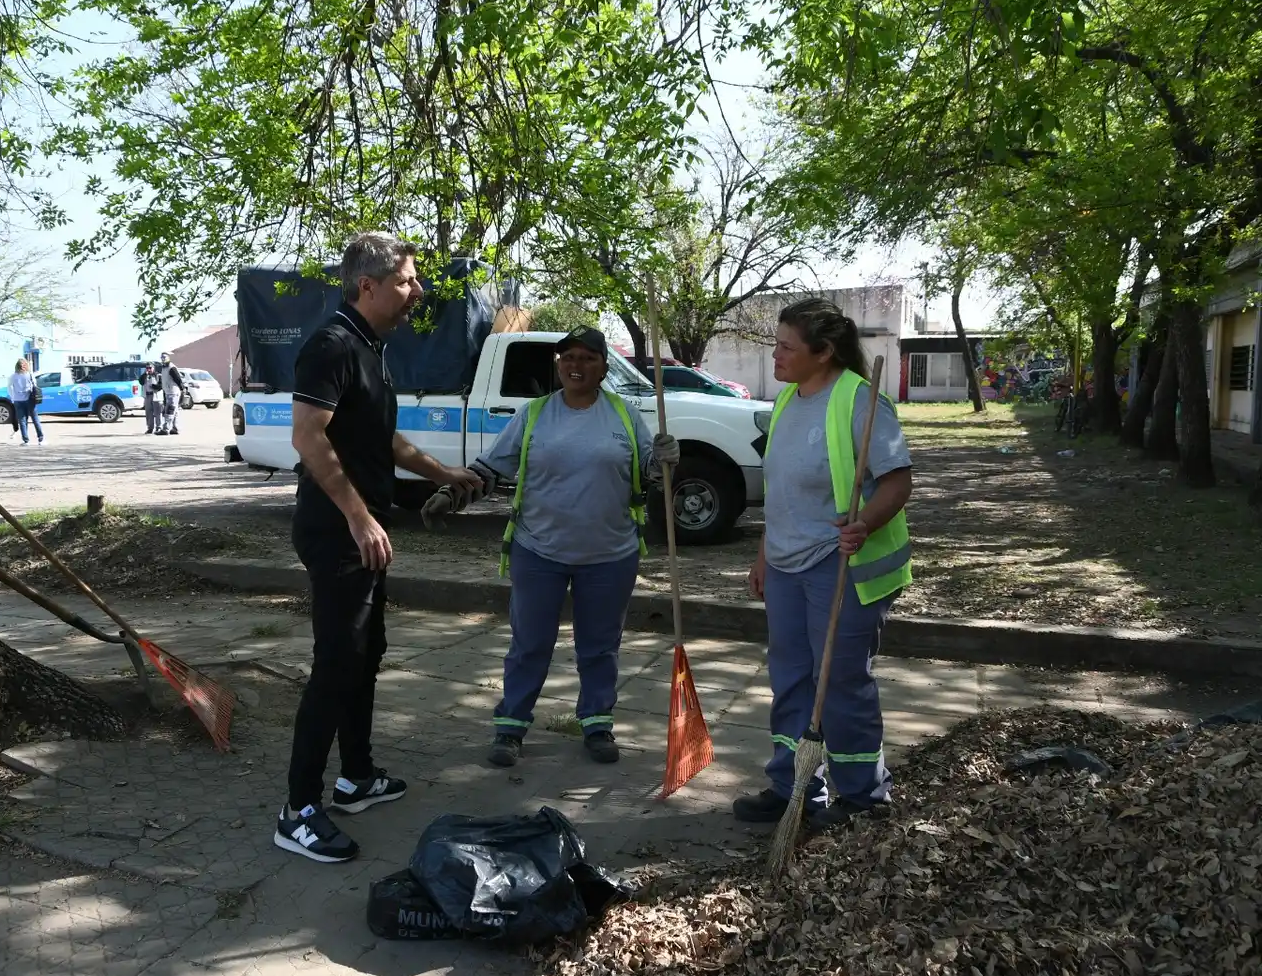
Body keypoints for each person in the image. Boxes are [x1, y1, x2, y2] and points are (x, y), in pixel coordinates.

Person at [276, 231, 482, 865]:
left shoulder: (372, 348)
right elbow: (308, 438)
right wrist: (361, 517)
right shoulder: (331, 344)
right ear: (368, 285)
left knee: (367, 653)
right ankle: (298, 810)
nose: (416, 291)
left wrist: (445, 475)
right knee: (337, 662)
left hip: (364, 531)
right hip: (337, 530)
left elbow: (383, 439)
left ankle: (357, 776)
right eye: (406, 281)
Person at [422, 326, 679, 767]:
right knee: (529, 643)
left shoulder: (624, 415)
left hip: (610, 554)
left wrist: (666, 460)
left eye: (587, 358)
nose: (576, 366)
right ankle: (511, 727)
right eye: (568, 358)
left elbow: (655, 475)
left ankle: (597, 723)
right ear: (558, 365)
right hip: (538, 550)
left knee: (599, 647)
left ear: (603, 367)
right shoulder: (534, 414)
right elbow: (491, 467)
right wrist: (451, 493)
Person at [732, 298, 913, 832]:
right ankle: (794, 789)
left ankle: (862, 795)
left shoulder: (861, 401)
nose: (775, 356)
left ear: (824, 352)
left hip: (842, 567)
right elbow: (783, 490)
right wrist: (764, 555)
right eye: (776, 345)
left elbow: (898, 482)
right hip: (787, 567)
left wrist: (865, 523)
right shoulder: (788, 400)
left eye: (787, 346)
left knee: (838, 683)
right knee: (790, 680)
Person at [8, 359, 44, 445]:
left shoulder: (13, 376)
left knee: (22, 421)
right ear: (26, 366)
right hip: (29, 399)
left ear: (16, 366)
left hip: (17, 400)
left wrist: (13, 398)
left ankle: (26, 440)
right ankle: (40, 438)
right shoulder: (29, 375)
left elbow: (9, 387)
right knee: (35, 419)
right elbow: (35, 386)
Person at [156, 353, 185, 435]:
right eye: (161, 357)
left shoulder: (171, 368)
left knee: (170, 410)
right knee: (174, 411)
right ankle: (175, 428)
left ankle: (166, 429)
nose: (163, 359)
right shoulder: (164, 368)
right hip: (168, 392)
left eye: (164, 357)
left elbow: (178, 379)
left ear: (168, 358)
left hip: (173, 392)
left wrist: (182, 388)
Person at [142, 363, 164, 434]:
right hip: (148, 396)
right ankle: (150, 428)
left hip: (156, 396)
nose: (149, 369)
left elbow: (161, 385)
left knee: (158, 413)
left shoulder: (158, 375)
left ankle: (159, 427)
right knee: (149, 413)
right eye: (147, 368)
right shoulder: (145, 376)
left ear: (153, 368)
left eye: (150, 368)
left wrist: (154, 386)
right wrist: (145, 374)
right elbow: (140, 381)